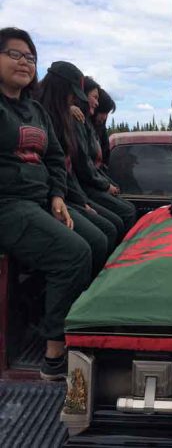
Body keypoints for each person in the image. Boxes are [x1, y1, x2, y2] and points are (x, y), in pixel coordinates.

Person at [0, 27, 92, 380]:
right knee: (73, 252)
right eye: (14, 54)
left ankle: (69, 317)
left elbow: (55, 158)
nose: (24, 62)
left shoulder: (35, 110)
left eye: (30, 57)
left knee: (97, 240)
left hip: (40, 202)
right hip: (8, 205)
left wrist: (57, 195)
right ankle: (55, 354)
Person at [37, 62, 118, 275]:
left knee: (107, 230)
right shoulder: (47, 116)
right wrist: (80, 200)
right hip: (42, 198)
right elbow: (79, 166)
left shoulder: (66, 118)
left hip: (61, 195)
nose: (74, 100)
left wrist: (77, 200)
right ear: (60, 90)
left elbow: (62, 166)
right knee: (93, 242)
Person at [72, 77, 136, 240]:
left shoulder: (93, 128)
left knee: (127, 209)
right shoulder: (76, 122)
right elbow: (83, 165)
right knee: (122, 216)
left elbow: (99, 164)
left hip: (88, 185)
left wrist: (109, 184)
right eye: (104, 112)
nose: (105, 118)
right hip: (83, 187)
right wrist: (105, 185)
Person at [93, 88, 115, 168]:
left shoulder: (101, 131)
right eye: (103, 112)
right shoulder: (83, 128)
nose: (104, 117)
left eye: (107, 114)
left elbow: (106, 158)